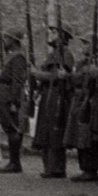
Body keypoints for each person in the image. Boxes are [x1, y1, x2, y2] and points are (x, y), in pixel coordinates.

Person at [31, 22, 75, 180]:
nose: (52, 35)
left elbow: (57, 76)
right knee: (48, 130)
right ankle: (51, 167)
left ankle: (56, 168)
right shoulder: (55, 53)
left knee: (54, 130)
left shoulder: (64, 53)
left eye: (55, 32)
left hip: (57, 96)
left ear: (63, 35)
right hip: (49, 94)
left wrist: (37, 74)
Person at [66, 33, 98, 182]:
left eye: (88, 43)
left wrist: (93, 69)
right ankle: (85, 169)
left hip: (91, 101)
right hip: (80, 99)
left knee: (89, 136)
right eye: (84, 44)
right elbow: (76, 78)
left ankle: (91, 170)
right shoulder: (82, 62)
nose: (85, 47)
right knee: (80, 135)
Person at [0, 29, 29, 174]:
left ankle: (15, 163)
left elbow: (18, 81)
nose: (4, 41)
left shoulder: (18, 57)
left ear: (14, 40)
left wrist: (15, 102)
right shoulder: (11, 56)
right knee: (9, 127)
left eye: (7, 38)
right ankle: (13, 162)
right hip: (4, 94)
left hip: (9, 96)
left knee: (12, 128)